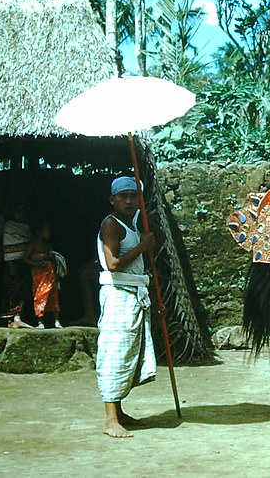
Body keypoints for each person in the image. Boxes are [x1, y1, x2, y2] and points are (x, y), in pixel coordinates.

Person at [96, 175, 156, 438]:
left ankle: (119, 412)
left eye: (134, 196)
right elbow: (113, 263)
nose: (129, 200)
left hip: (133, 292)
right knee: (114, 353)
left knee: (128, 354)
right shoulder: (111, 225)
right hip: (118, 294)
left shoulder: (130, 225)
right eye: (123, 196)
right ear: (113, 200)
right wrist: (143, 246)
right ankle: (110, 420)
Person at [24, 219, 64, 328]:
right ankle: (40, 322)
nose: (49, 232)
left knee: (53, 295)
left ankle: (56, 320)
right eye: (47, 230)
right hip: (38, 275)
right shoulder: (33, 244)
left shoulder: (47, 245)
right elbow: (25, 259)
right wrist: (37, 264)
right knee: (40, 295)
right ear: (39, 231)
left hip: (49, 274)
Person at [0, 202, 33, 328]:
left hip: (24, 263)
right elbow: (7, 247)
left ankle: (18, 318)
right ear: (13, 213)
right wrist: (11, 266)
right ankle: (12, 319)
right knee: (12, 291)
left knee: (23, 291)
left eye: (23, 211)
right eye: (18, 211)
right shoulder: (9, 226)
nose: (22, 214)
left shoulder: (27, 228)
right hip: (12, 265)